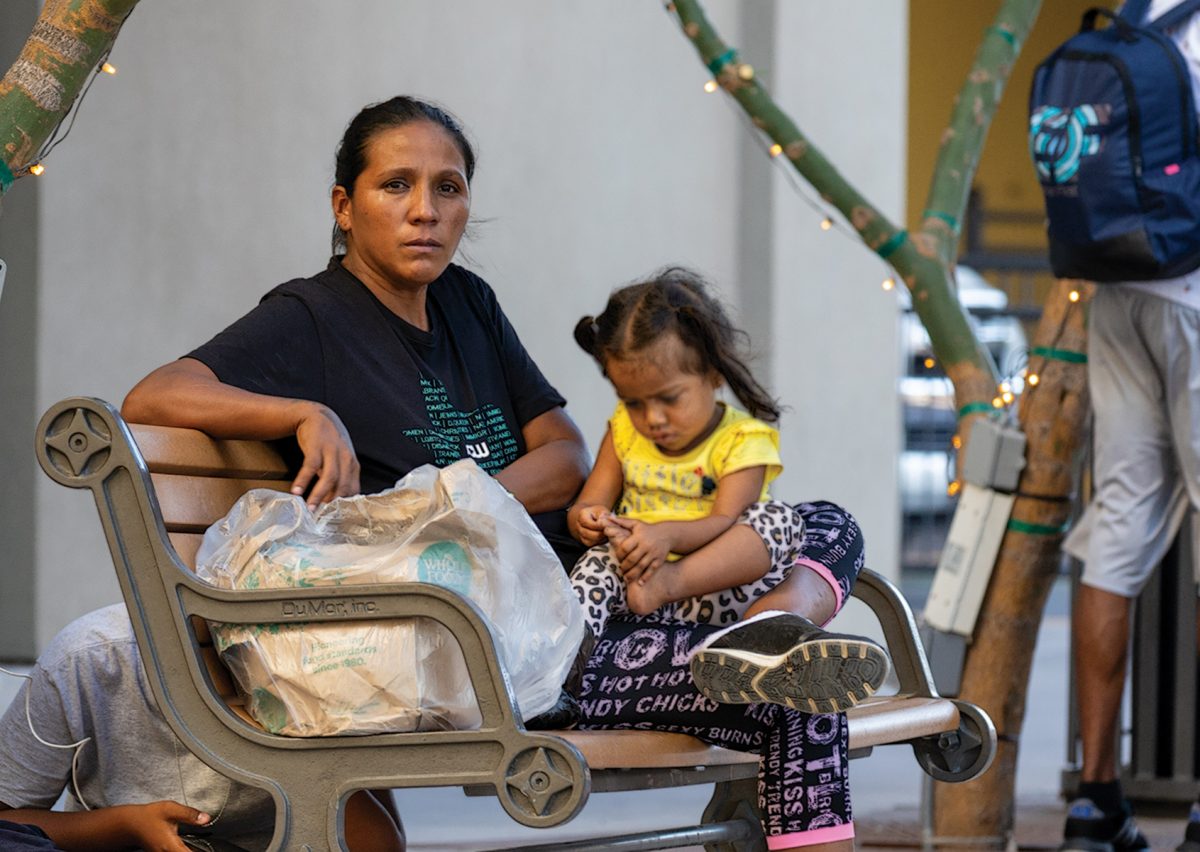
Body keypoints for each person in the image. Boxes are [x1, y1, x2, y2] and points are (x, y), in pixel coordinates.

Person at [116, 94, 872, 850]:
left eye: (448, 188)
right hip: (517, 650)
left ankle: (772, 630)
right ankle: (763, 657)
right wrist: (303, 414)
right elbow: (153, 394)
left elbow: (567, 451)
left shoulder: (466, 304)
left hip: (598, 591)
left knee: (831, 524)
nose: (426, 211)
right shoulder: (312, 317)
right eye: (396, 186)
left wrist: (466, 501)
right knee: (801, 701)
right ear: (345, 207)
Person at [568, 269, 889, 714]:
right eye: (634, 402)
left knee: (778, 521)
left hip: (718, 587)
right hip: (639, 588)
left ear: (713, 374)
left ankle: (765, 637)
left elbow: (723, 521)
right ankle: (564, 669)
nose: (652, 419)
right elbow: (590, 500)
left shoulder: (743, 441)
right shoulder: (621, 433)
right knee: (593, 566)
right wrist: (589, 519)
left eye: (669, 398)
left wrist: (665, 547)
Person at [1059, 2, 1200, 850]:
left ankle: (1094, 799)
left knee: (1116, 530)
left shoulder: (1136, 11)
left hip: (1119, 292)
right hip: (1195, 295)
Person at [0, 605, 402, 852]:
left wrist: (314, 714)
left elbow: (380, 843)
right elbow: (7, 826)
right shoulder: (90, 658)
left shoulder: (333, 660)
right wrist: (125, 825)